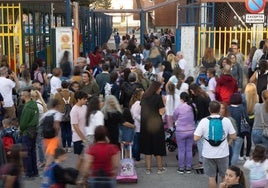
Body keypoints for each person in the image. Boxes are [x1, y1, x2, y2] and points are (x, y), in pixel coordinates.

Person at [194, 101, 236, 188]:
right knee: (224, 177)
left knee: (211, 178)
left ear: (209, 109)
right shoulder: (226, 120)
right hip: (223, 153)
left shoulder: (203, 121)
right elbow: (233, 135)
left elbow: (196, 138)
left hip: (208, 154)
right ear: (219, 109)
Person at [140, 81, 166, 175]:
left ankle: (148, 169)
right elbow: (161, 112)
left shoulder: (144, 97)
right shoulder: (158, 98)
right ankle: (160, 168)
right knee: (158, 146)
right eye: (160, 88)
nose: (160, 90)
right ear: (156, 89)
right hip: (156, 125)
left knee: (148, 148)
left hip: (145, 125)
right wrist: (164, 103)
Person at [173, 92, 196, 174]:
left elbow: (174, 117)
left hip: (181, 131)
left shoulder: (179, 107)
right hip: (191, 130)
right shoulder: (193, 106)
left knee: (181, 150)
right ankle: (189, 168)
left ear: (181, 99)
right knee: (189, 150)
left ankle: (181, 168)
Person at [19, 88, 39, 178]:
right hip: (34, 130)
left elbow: (23, 123)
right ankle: (35, 171)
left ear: (25, 96)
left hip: (27, 132)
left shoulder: (27, 107)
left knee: (26, 153)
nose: (21, 97)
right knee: (32, 152)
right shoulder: (34, 104)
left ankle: (29, 173)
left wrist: (21, 130)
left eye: (21, 95)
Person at [54, 81, 75, 152]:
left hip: (61, 115)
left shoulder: (57, 94)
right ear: (68, 86)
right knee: (69, 130)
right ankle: (69, 146)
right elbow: (74, 103)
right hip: (70, 114)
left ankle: (63, 146)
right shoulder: (72, 94)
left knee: (63, 131)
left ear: (61, 86)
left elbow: (54, 104)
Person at [228, 93, 249, 165]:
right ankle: (232, 167)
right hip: (240, 133)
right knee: (236, 152)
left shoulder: (228, 108)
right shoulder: (242, 109)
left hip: (229, 134)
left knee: (229, 151)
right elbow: (247, 119)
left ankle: (227, 165)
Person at [41, 99, 62, 168]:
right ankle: (47, 171)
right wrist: (57, 136)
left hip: (45, 136)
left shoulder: (46, 113)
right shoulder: (57, 114)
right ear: (57, 106)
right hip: (52, 136)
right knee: (52, 155)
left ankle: (52, 169)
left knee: (49, 154)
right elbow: (56, 126)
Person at [70, 90, 88, 170]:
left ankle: (81, 174)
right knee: (81, 158)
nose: (86, 100)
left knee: (84, 158)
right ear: (78, 99)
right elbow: (75, 126)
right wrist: (83, 138)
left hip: (86, 135)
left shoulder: (85, 107)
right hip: (78, 137)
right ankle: (76, 173)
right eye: (84, 99)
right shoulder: (74, 110)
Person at [240, 83, 258, 160]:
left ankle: (241, 155)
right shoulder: (257, 97)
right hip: (253, 118)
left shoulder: (243, 97)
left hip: (244, 118)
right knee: (249, 137)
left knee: (242, 135)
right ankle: (247, 154)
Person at [30, 89, 47, 169]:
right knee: (39, 144)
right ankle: (42, 160)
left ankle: (42, 160)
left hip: (37, 126)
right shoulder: (41, 103)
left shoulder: (36, 105)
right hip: (41, 125)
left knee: (39, 144)